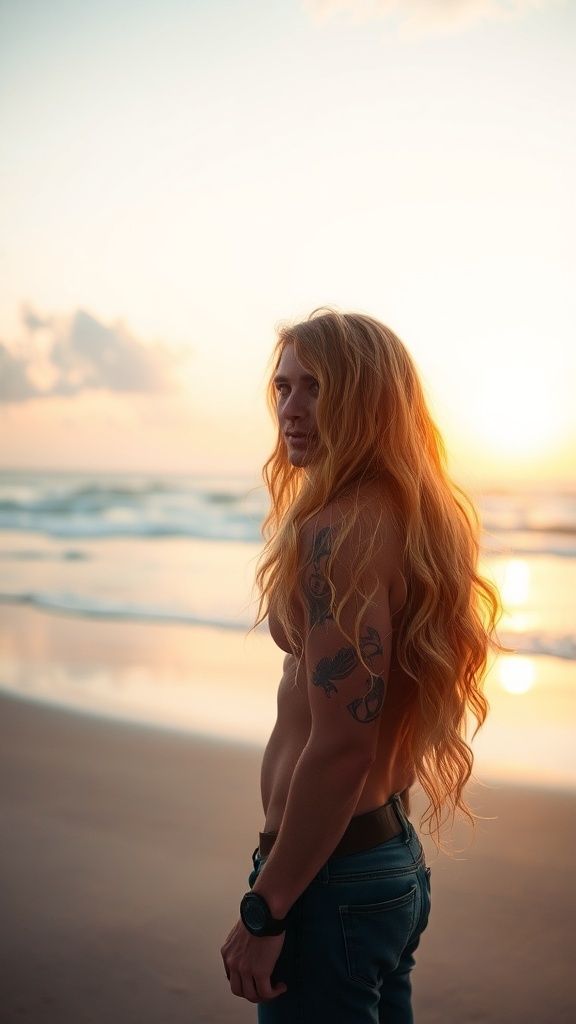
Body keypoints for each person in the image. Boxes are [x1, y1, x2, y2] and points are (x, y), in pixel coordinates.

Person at [221, 309, 500, 1023]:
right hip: (381, 861)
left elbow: (344, 746)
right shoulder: (412, 516)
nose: (290, 409)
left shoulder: (339, 533)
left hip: (328, 877)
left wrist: (266, 909)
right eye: (282, 387)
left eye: (316, 388)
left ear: (368, 400)